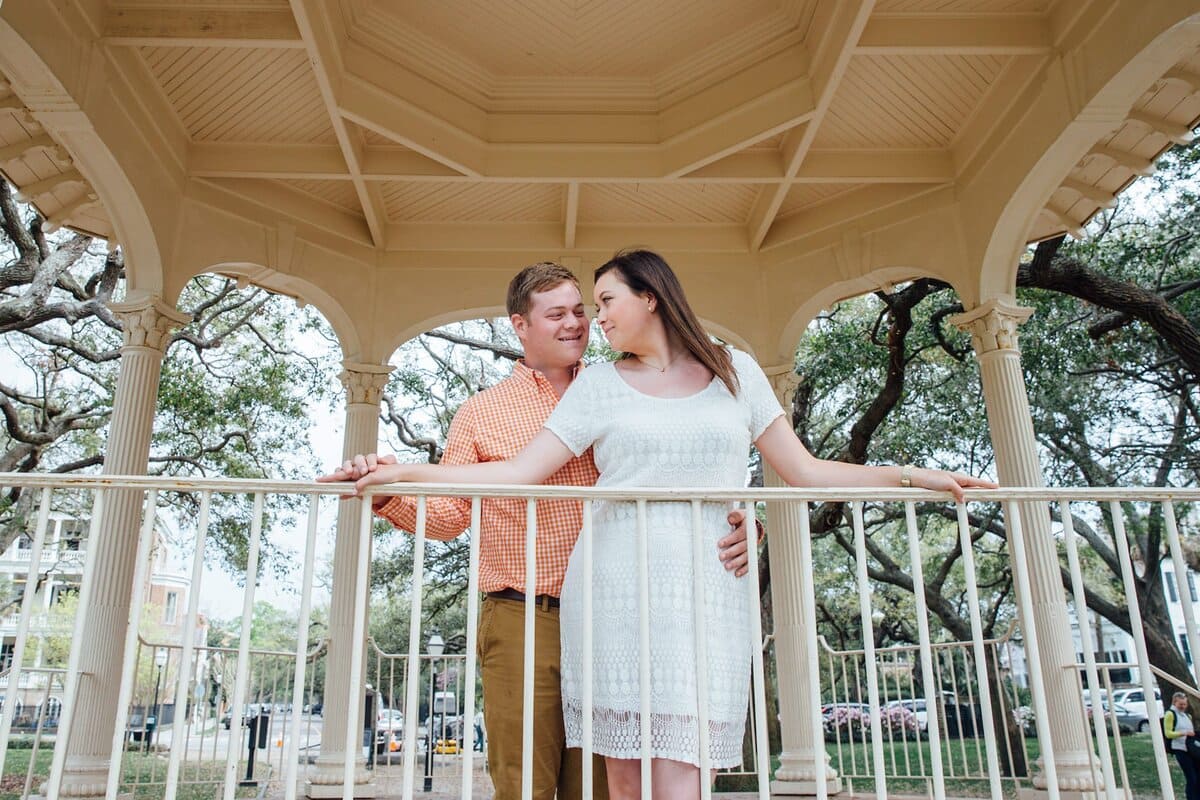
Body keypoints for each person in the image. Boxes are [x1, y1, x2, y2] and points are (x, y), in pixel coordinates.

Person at [332, 250, 993, 800]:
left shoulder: (699, 376)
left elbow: (789, 470)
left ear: (650, 298)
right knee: (574, 784)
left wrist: (906, 480)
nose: (588, 322)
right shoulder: (552, 397)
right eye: (567, 311)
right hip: (570, 602)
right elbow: (489, 490)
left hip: (681, 603)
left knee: (657, 779)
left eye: (597, 305)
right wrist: (397, 478)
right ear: (521, 324)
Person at [319, 262, 754, 800]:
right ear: (519, 325)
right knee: (526, 782)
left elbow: (680, 472)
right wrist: (389, 493)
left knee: (605, 784)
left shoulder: (625, 386)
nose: (576, 324)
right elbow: (452, 518)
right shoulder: (482, 413)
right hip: (526, 614)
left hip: (620, 619)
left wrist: (741, 521)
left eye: (581, 311)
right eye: (557, 315)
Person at [1166, 691, 1200, 800]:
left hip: (1191, 749)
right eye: (1181, 704)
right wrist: (1183, 733)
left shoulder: (1187, 715)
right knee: (1191, 777)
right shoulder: (1170, 714)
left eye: (1185, 704)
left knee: (1198, 775)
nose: (1183, 706)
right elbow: (1168, 733)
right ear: (1175, 703)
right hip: (1180, 749)